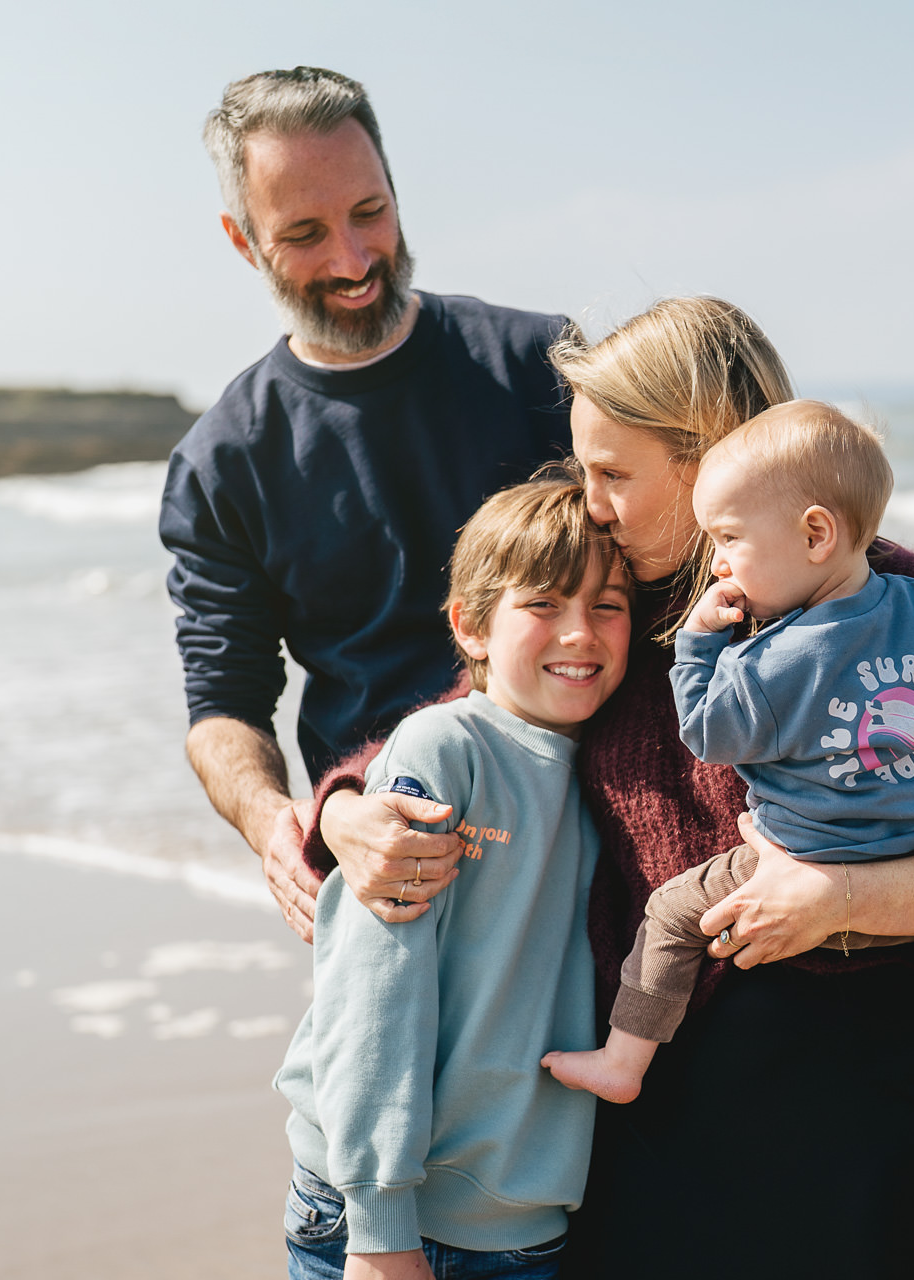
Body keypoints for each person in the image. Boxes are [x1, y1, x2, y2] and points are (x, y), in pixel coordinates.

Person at [308, 298, 914, 1278]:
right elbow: (473, 716)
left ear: (706, 454)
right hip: (650, 1122)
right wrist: (345, 807)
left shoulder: (901, 603)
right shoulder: (608, 618)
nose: (591, 502)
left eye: (612, 473)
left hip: (874, 1120)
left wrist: (842, 898)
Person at [540, 399, 914, 1111]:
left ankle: (622, 1060)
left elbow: (709, 733)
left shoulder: (772, 660)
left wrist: (699, 644)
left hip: (804, 855)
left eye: (729, 539)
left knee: (673, 913)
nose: (720, 562)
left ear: (816, 534)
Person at [159, 66, 570, 942]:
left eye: (369, 213)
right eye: (304, 232)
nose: (351, 260)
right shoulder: (223, 462)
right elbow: (222, 706)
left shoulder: (544, 365)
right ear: (243, 240)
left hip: (596, 832)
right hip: (390, 867)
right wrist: (284, 826)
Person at [278, 473, 631, 1280]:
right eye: (543, 603)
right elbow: (375, 991)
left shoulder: (617, 769)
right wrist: (379, 1222)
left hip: (521, 1223)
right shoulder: (446, 750)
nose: (580, 633)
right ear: (471, 626)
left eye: (607, 607)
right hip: (379, 1213)